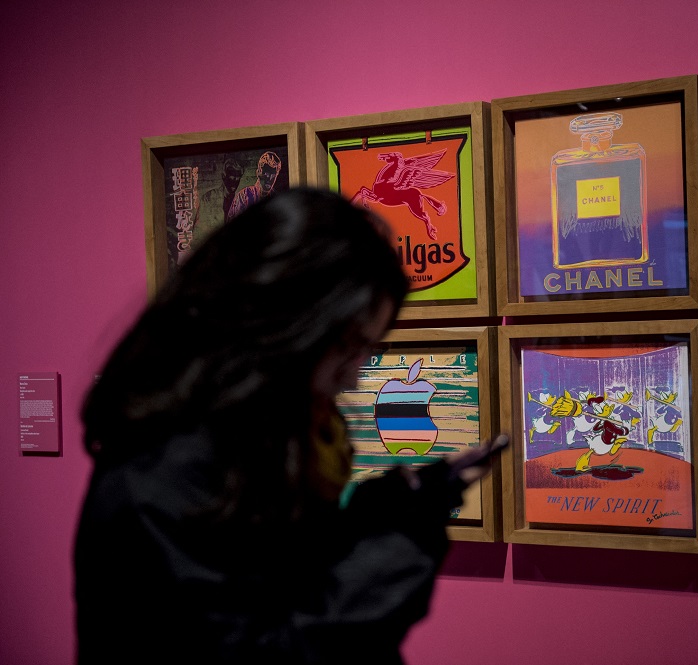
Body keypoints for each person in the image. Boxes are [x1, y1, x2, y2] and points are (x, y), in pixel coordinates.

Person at [74, 188, 505, 664]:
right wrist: (401, 543)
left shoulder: (261, 433)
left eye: (368, 348)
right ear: (282, 322)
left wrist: (393, 507)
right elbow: (275, 648)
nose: (355, 375)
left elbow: (295, 571)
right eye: (348, 345)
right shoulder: (164, 468)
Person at [226, 150, 283, 221]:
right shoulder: (244, 196)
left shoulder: (277, 199)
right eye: (266, 174)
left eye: (273, 175)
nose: (269, 179)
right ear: (258, 172)